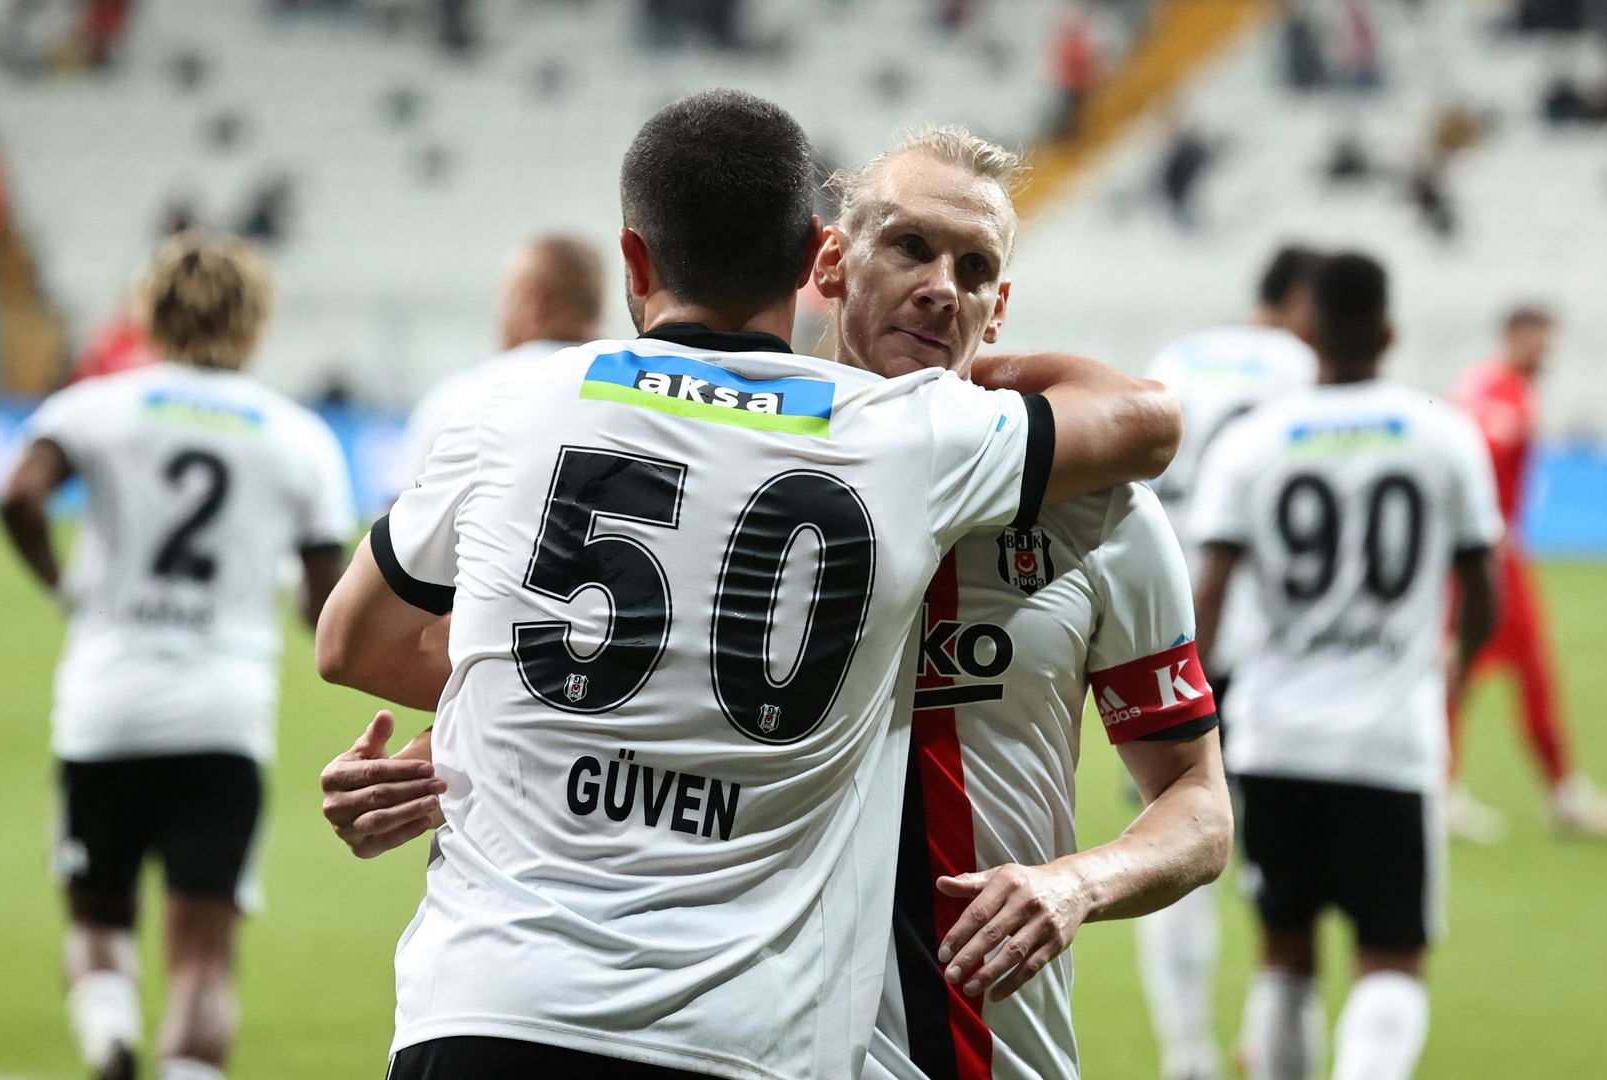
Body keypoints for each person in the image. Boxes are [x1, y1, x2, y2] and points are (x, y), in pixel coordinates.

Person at [320, 125, 1234, 1080]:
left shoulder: (1103, 518)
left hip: (985, 1051)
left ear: (998, 309)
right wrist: (458, 751)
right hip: (772, 1042)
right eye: (911, 246)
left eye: (974, 270)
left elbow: (1197, 803)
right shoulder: (739, 475)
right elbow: (646, 683)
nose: (940, 287)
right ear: (829, 263)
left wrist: (1078, 883)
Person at [0, 232, 355, 1080]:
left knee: (98, 923)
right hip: (224, 714)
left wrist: (63, 586)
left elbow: (17, 493)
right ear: (255, 321)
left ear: (149, 310)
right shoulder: (298, 437)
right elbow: (325, 605)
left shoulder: (95, 407)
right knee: (203, 956)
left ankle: (111, 1039)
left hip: (105, 706)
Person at [1187, 252, 1503, 1080]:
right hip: (1389, 741)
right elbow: (1484, 590)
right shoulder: (1443, 433)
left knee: (1284, 956)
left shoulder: (1254, 441)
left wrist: (1201, 716)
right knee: (1392, 958)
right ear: (1389, 332)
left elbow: (1208, 593)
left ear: (1308, 332)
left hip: (1274, 734)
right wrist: (1454, 675)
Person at [1134, 245, 1320, 1080]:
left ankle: (1187, 1053)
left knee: (1165, 830)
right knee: (1280, 858)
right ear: (1302, 301)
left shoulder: (1181, 355)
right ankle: (1273, 1045)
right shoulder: (1301, 366)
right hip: (1268, 640)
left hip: (1169, 629)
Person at [1449, 307, 1607, 841]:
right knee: (1522, 669)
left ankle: (1445, 791)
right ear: (1511, 336)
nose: (1543, 350)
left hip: (1479, 551)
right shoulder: (1500, 395)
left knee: (1462, 674)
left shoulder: (1481, 386)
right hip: (1490, 554)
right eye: (1535, 338)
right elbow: (1479, 449)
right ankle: (1562, 796)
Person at [391, 233, 603, 495]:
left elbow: (396, 518)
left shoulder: (462, 398)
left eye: (505, 297)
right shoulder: (637, 396)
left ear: (532, 304)